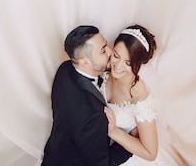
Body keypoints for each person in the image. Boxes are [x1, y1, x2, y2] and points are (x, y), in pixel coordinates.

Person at [42, 25, 133, 166]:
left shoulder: (65, 69)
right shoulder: (93, 116)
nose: (110, 51)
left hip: (55, 152)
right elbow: (103, 164)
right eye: (103, 50)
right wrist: (130, 141)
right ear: (85, 62)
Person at [101, 25, 160, 164]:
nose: (118, 66)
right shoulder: (105, 69)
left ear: (138, 64)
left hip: (118, 153)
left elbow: (151, 153)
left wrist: (113, 131)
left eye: (128, 63)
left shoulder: (139, 95)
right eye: (116, 55)